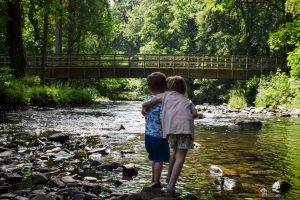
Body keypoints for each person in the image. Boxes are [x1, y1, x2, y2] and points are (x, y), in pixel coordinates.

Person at [142, 75, 198, 193]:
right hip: (185, 130)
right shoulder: (187, 100)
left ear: (168, 86)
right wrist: (186, 118)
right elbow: (195, 114)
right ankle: (171, 185)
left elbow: (147, 103)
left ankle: (168, 177)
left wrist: (145, 108)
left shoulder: (165, 95)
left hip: (170, 129)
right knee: (180, 157)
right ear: (182, 88)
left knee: (174, 153)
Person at [142, 72, 170, 189]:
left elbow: (143, 112)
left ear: (149, 88)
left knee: (154, 158)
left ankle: (153, 179)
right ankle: (156, 180)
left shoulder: (148, 99)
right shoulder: (165, 101)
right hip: (160, 136)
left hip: (148, 135)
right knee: (159, 160)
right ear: (165, 87)